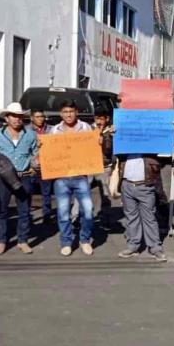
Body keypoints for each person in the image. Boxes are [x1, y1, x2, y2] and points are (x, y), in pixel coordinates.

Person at [0, 102, 39, 256]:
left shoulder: (30, 134)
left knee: (24, 210)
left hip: (24, 176)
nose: (17, 119)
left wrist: (35, 164)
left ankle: (23, 240)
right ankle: (1, 241)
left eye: (19, 116)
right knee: (1, 210)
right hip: (3, 178)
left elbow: (36, 152)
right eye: (13, 116)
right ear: (6, 118)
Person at [49, 100, 96, 257]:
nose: (68, 114)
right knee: (63, 212)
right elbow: (50, 153)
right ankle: (66, 242)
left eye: (71, 111)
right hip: (61, 177)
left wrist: (98, 143)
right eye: (65, 111)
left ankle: (84, 240)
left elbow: (92, 149)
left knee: (88, 210)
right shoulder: (54, 130)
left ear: (76, 112)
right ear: (61, 113)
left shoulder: (85, 128)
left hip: (81, 176)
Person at [116, 153, 168, 262]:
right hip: (127, 184)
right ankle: (133, 246)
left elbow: (162, 160)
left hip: (146, 185)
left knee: (149, 218)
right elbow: (110, 151)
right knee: (131, 217)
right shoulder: (125, 142)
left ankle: (155, 248)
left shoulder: (150, 144)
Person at [29, 108, 54, 223]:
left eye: (42, 116)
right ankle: (27, 215)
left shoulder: (51, 129)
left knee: (46, 192)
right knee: (28, 192)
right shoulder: (26, 131)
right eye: (37, 117)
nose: (40, 119)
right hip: (31, 167)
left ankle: (47, 215)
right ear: (32, 118)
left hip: (46, 165)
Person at [91, 109, 114, 226]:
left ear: (107, 119)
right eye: (97, 119)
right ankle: (81, 218)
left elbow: (109, 151)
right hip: (89, 166)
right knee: (83, 192)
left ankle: (105, 219)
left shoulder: (111, 131)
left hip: (104, 166)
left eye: (101, 119)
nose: (99, 121)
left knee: (105, 193)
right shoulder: (89, 130)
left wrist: (105, 138)